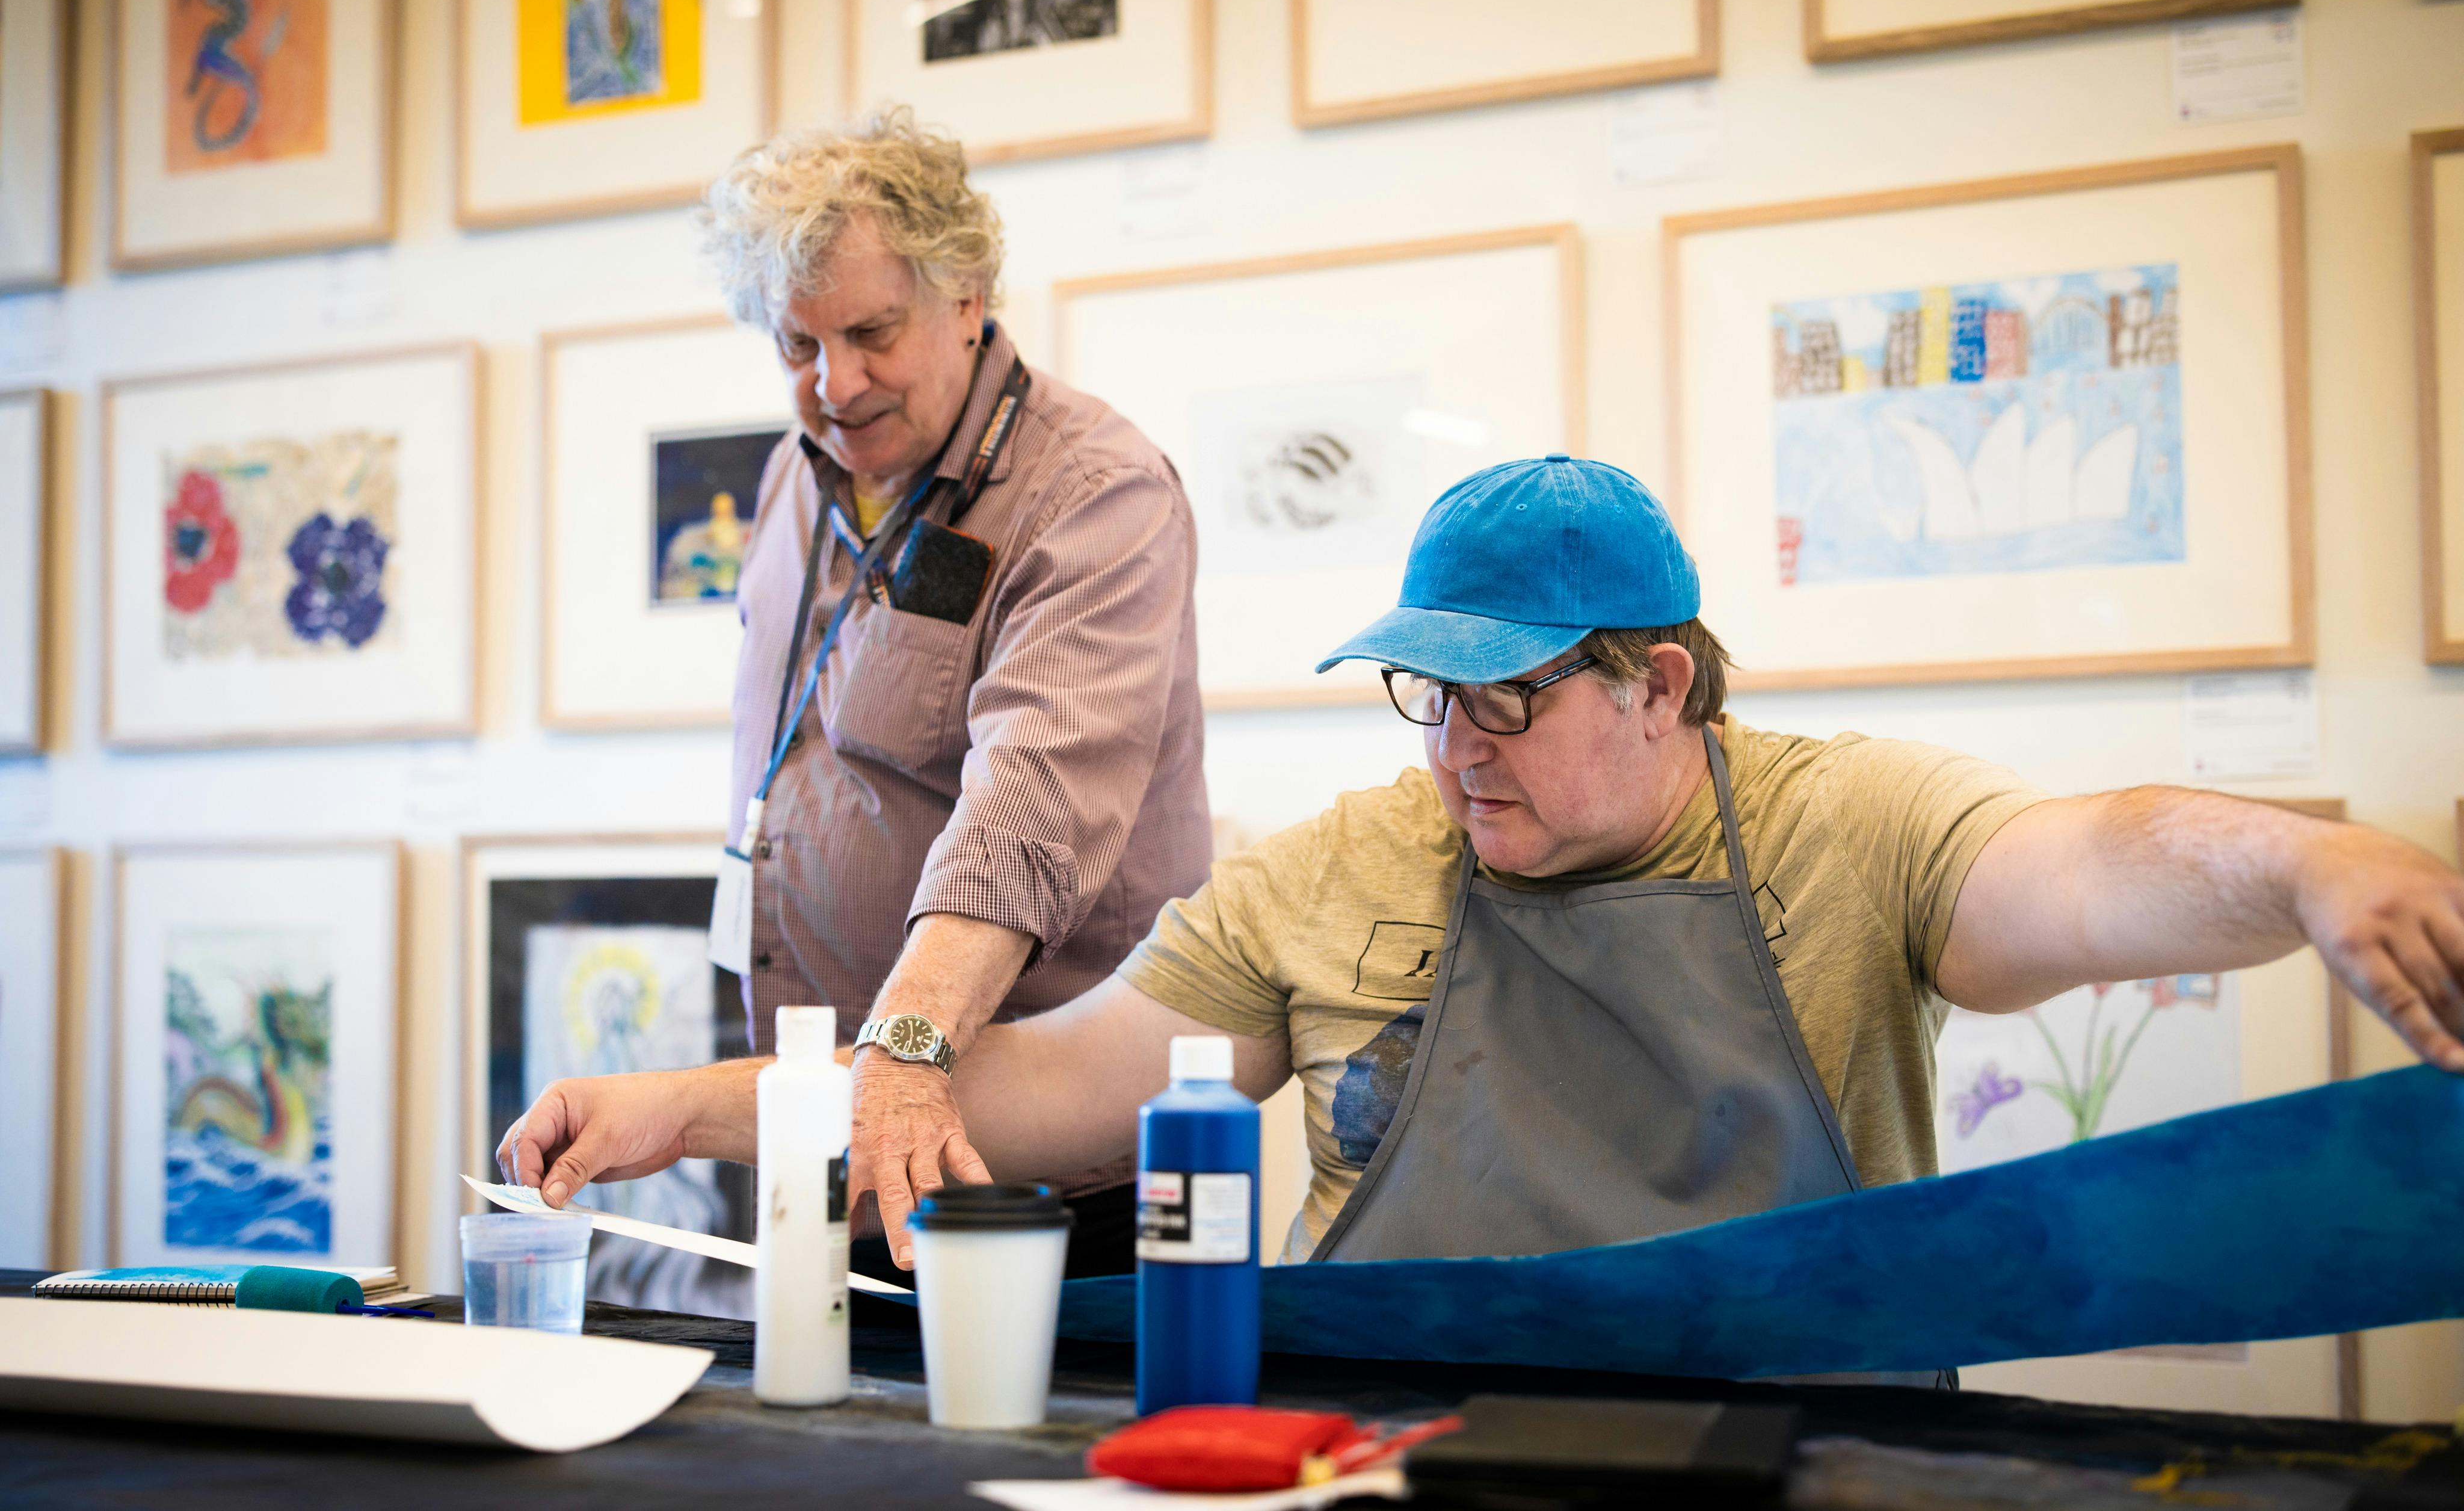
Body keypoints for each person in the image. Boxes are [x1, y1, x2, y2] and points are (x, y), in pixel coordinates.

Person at [502, 457, 2464, 1323]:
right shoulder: (1342, 867)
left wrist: (2308, 861)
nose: (1454, 747)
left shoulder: (1850, 827)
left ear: (1659, 685)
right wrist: (680, 1107)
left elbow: (2097, 860)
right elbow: (1028, 1086)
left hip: (1786, 1449)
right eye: (1427, 693)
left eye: (1507, 698)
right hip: (1388, 1458)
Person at [641, 108, 1210, 1276]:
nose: (834, 383)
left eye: (871, 333)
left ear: (967, 298)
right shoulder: (793, 475)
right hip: (843, 1114)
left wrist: (901, 1053)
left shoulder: (1095, 493)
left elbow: (1029, 812)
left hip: (1037, 1158)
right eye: (797, 345)